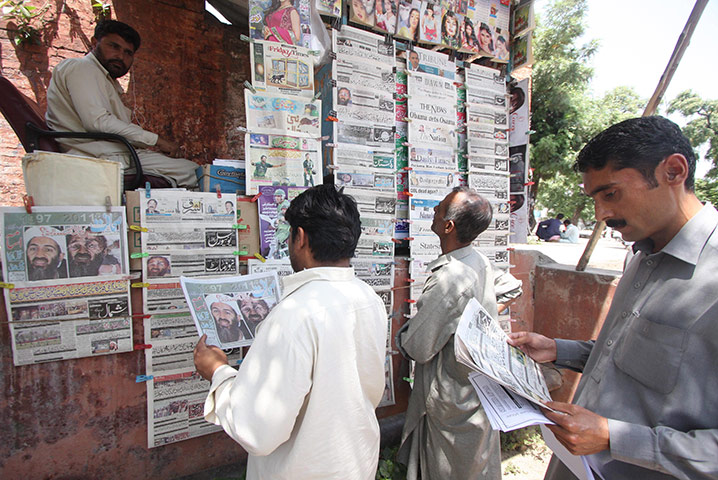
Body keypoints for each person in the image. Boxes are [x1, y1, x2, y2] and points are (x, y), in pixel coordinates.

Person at [508, 116, 718, 479]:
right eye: (594, 199)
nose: (601, 215)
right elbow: (630, 353)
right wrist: (560, 349)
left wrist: (614, 437)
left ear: (673, 171)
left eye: (610, 194)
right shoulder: (639, 256)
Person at [194, 184, 388, 479]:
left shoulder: (294, 315)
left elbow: (257, 430)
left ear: (300, 237)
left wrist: (218, 373)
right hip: (354, 465)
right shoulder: (367, 298)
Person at [397, 187, 501, 480]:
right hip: (473, 390)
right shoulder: (477, 260)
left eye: (439, 208)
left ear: (448, 226)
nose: (432, 210)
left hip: (452, 397)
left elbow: (418, 346)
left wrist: (402, 336)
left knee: (446, 468)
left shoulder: (451, 278)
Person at [45, 20, 198, 188]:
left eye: (128, 53)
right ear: (94, 43)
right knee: (196, 174)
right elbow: (98, 122)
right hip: (96, 155)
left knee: (194, 172)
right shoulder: (82, 68)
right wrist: (157, 141)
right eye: (114, 47)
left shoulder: (105, 80)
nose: (120, 56)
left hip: (113, 152)